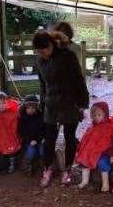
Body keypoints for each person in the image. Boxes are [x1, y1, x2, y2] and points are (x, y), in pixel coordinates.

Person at [33, 31, 89, 187]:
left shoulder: (67, 57)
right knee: (49, 140)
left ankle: (68, 170)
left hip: (70, 103)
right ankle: (47, 169)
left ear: (50, 46)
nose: (41, 54)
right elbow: (43, 84)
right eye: (38, 52)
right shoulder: (39, 60)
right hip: (51, 105)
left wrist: (83, 104)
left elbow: (79, 80)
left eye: (43, 51)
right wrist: (42, 104)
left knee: (70, 138)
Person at [75, 102, 113, 192]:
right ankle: (84, 181)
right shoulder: (92, 128)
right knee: (84, 158)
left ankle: (105, 183)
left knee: (102, 163)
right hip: (91, 152)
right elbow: (85, 141)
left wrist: (112, 154)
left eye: (99, 115)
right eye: (94, 115)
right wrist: (80, 149)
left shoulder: (111, 127)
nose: (97, 118)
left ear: (105, 114)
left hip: (104, 153)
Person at [0, 92, 21, 174]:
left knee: (11, 153)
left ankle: (12, 165)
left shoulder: (12, 112)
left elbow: (16, 119)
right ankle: (2, 168)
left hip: (9, 137)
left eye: (4, 102)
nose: (2, 105)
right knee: (0, 153)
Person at [18, 94, 45, 176]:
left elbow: (43, 130)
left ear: (36, 108)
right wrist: (30, 140)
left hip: (39, 139)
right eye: (28, 108)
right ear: (25, 108)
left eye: (33, 108)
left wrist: (37, 140)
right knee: (30, 151)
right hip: (28, 140)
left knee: (42, 150)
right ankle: (27, 168)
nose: (31, 110)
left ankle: (43, 167)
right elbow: (22, 131)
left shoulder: (40, 117)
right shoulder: (22, 118)